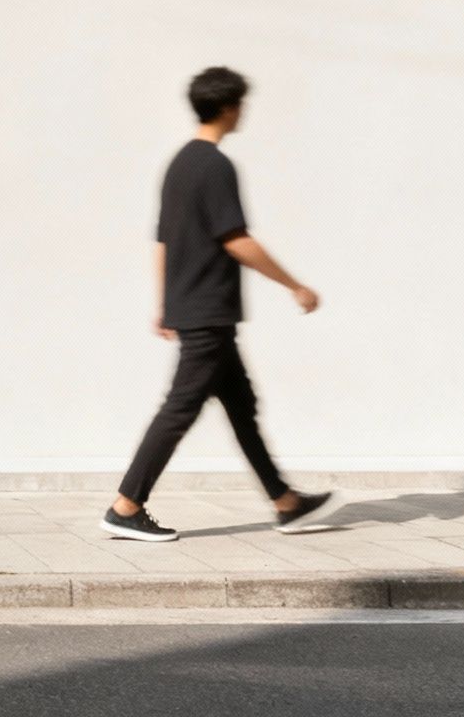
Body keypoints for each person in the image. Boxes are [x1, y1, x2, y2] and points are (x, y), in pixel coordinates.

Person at [101, 67, 339, 543]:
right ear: (229, 107)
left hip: (198, 309)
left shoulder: (178, 165)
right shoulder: (215, 165)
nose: (243, 111)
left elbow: (163, 241)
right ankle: (126, 506)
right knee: (179, 409)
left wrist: (165, 303)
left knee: (241, 406)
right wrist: (295, 285)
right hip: (208, 311)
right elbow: (235, 240)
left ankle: (286, 503)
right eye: (241, 104)